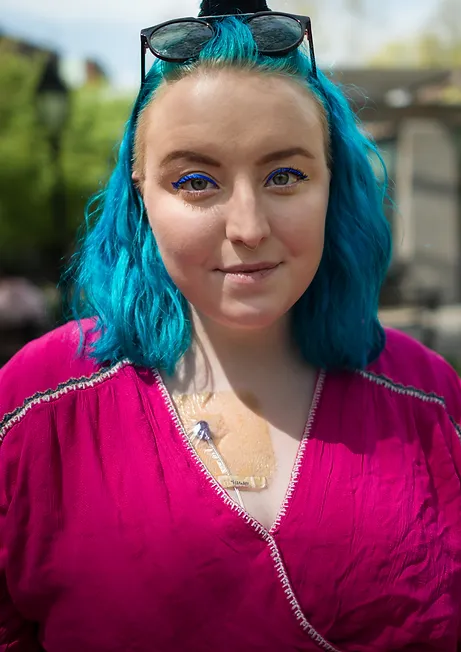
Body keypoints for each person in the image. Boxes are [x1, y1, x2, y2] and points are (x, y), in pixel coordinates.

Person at [0, 0, 460, 650]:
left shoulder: (427, 396)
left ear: (333, 185)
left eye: (285, 176)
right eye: (195, 181)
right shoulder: (38, 402)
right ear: (139, 194)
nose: (247, 227)